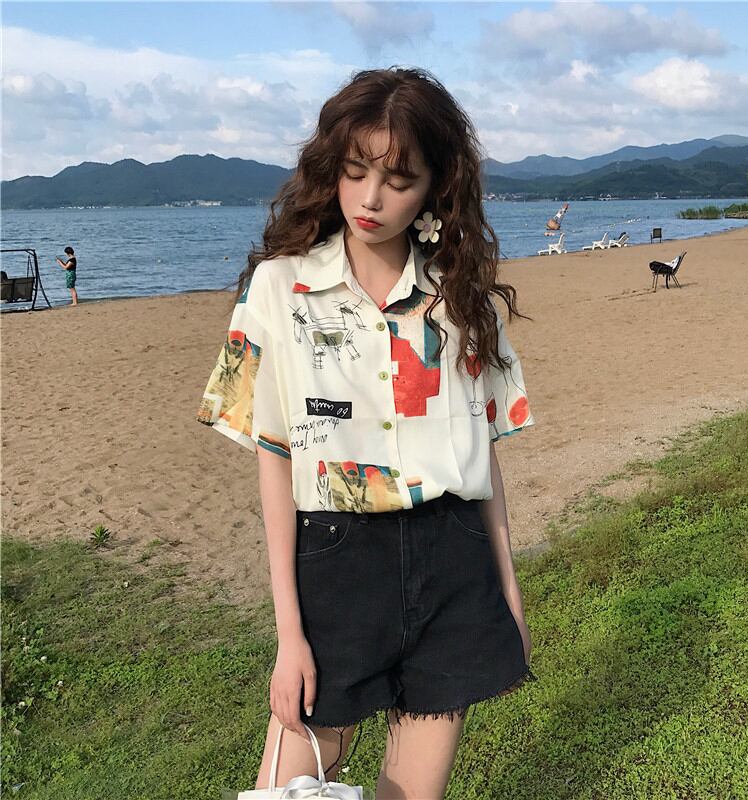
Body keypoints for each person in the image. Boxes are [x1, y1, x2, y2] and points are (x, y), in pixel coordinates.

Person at [196, 66, 536, 800]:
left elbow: (483, 458)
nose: (371, 199)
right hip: (336, 559)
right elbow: (275, 459)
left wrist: (508, 593)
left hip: (453, 558)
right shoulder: (280, 289)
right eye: (355, 172)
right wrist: (290, 635)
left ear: (436, 189)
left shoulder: (463, 302)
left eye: (399, 179)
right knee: (285, 792)